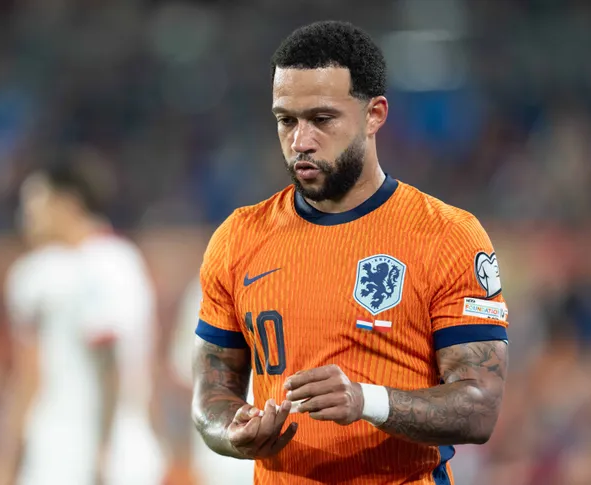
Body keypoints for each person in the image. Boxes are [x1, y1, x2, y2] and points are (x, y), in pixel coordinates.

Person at [191, 20, 509, 485]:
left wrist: (367, 401)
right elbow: (211, 392)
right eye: (286, 120)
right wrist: (231, 431)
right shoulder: (238, 237)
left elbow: (480, 407)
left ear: (374, 114)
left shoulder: (446, 236)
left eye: (322, 119)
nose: (300, 141)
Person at [0, 162, 165, 485]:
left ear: (67, 203)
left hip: (88, 451)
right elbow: (28, 376)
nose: (26, 215)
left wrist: (104, 451)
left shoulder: (105, 266)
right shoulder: (47, 271)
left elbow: (108, 364)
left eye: (34, 202)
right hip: (84, 448)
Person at [169, 277, 255, 484]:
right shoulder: (300, 280)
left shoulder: (210, 283)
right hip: (283, 451)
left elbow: (184, 377)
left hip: (220, 449)